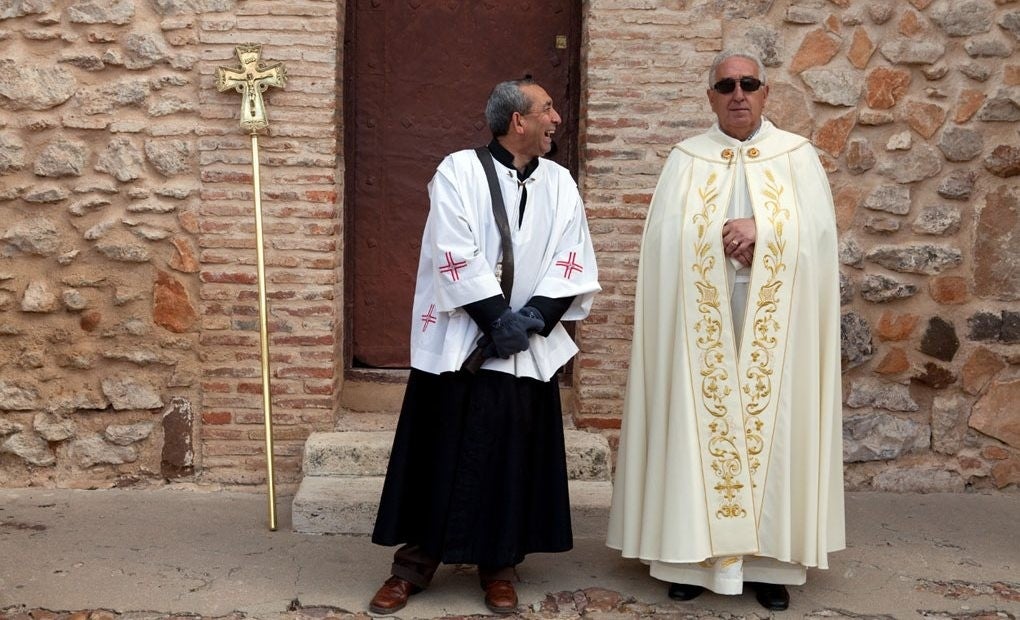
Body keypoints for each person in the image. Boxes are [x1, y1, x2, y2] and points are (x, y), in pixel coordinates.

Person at [606, 49, 845, 612]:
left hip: (775, 329)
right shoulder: (686, 159)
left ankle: (768, 565)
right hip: (701, 327)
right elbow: (663, 246)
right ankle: (686, 558)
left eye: (749, 84)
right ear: (709, 96)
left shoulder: (797, 157)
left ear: (767, 93)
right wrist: (716, 240)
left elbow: (818, 238)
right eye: (725, 85)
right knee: (695, 422)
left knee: (775, 427)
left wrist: (766, 230)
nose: (738, 94)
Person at [368, 77, 600, 616]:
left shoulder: (562, 182)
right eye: (547, 109)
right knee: (439, 447)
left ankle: (500, 564)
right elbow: (453, 249)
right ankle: (414, 566)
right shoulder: (457, 171)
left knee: (510, 455)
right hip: (462, 343)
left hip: (525, 347)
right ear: (518, 120)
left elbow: (573, 256)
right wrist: (497, 320)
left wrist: (535, 320)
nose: (555, 119)